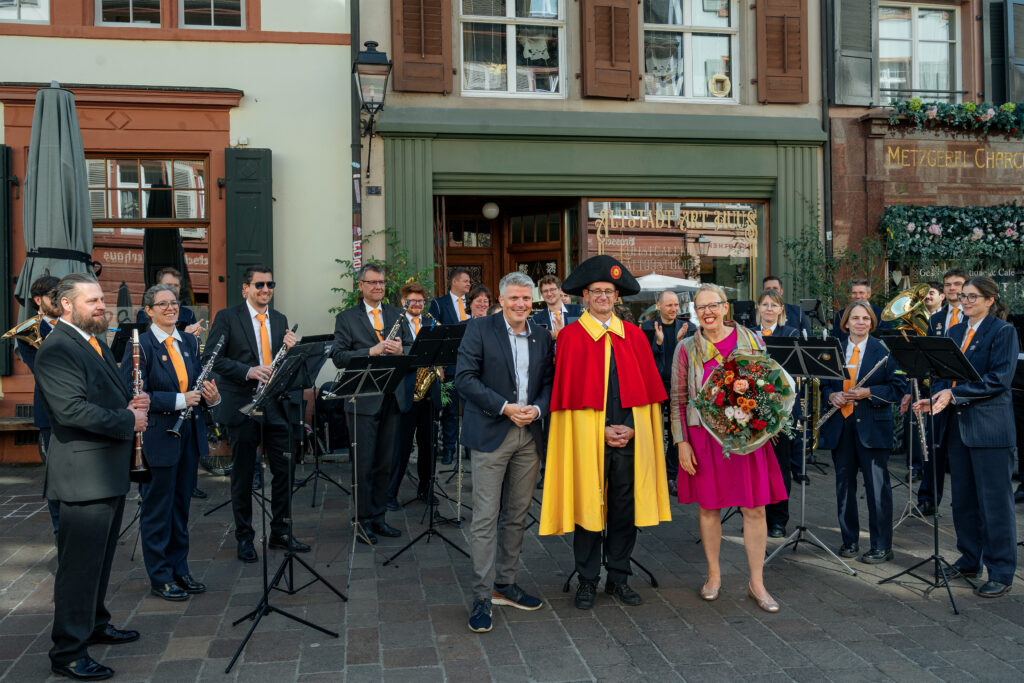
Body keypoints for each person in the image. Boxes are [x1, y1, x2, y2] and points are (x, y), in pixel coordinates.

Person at [34, 273, 150, 681]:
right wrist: (128, 418)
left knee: (99, 562)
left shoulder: (92, 340)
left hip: (106, 472)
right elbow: (71, 412)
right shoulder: (57, 350)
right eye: (92, 301)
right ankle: (67, 652)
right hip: (83, 477)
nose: (102, 306)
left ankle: (95, 624)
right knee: (79, 569)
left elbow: (104, 394)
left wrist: (133, 401)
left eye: (101, 299)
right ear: (66, 305)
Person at [540, 255, 671, 610]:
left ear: (617, 297)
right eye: (596, 291)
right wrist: (599, 431)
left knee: (623, 509)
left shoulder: (635, 337)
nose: (602, 296)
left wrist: (628, 430)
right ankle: (587, 579)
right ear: (584, 295)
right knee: (588, 505)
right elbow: (568, 399)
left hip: (628, 438)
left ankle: (618, 577)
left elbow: (646, 394)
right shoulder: (569, 337)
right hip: (588, 440)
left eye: (608, 291)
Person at [671, 284, 787, 612]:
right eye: (700, 308)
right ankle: (713, 575)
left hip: (747, 440)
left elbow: (770, 385)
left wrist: (768, 420)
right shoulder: (685, 349)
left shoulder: (751, 339)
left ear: (725, 308)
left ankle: (757, 582)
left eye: (713, 306)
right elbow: (678, 398)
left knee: (755, 509)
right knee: (709, 508)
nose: (707, 313)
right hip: (704, 441)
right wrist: (682, 442)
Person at [455, 272, 554, 633]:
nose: (520, 304)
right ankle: (482, 595)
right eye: (513, 298)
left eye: (526, 298)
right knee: (485, 517)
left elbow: (548, 382)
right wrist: (505, 407)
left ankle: (505, 583)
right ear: (501, 299)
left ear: (533, 300)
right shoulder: (479, 329)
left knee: (517, 513)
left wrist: (538, 410)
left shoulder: (542, 335)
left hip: (529, 435)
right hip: (492, 432)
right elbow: (464, 379)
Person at [914, 276, 1018, 598]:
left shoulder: (1003, 332)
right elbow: (947, 378)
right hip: (957, 429)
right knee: (963, 500)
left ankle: (1001, 570)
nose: (966, 301)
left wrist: (953, 397)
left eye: (973, 296)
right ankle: (970, 559)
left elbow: (998, 379)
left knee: (995, 504)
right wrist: (932, 396)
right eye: (964, 296)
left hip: (989, 431)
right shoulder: (954, 332)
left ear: (990, 300)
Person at [120, 284, 220, 602]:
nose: (170, 308)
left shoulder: (189, 341)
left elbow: (196, 389)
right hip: (158, 439)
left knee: (181, 508)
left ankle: (180, 569)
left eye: (174, 303)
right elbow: (134, 394)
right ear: (148, 310)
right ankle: (160, 576)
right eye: (161, 304)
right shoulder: (141, 344)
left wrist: (211, 399)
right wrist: (180, 399)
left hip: (187, 438)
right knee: (157, 511)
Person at [205, 265, 307, 564]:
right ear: (245, 289)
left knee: (284, 470)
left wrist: (289, 349)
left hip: (274, 405)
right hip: (241, 405)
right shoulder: (227, 317)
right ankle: (245, 537)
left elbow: (278, 363)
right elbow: (212, 358)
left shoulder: (279, 319)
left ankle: (280, 532)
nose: (265, 290)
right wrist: (247, 371)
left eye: (270, 285)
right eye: (259, 285)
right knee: (243, 474)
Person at [331, 264, 412, 545]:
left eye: (382, 282)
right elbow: (339, 357)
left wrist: (402, 350)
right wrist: (371, 351)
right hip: (362, 401)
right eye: (373, 282)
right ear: (361, 286)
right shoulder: (346, 318)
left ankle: (379, 518)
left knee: (384, 463)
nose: (379, 287)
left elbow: (413, 348)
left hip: (392, 397)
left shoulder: (395, 314)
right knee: (362, 465)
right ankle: (362, 521)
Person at [820, 302, 905, 564]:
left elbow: (898, 387)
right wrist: (831, 395)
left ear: (872, 323)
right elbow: (822, 384)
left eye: (866, 319)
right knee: (844, 486)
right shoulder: (833, 349)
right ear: (845, 323)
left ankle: (882, 545)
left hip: (872, 426)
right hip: (841, 425)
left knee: (877, 488)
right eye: (855, 318)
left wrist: (870, 392)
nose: (860, 323)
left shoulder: (885, 351)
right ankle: (850, 540)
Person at [914, 268, 968, 515]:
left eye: (957, 284)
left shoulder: (972, 317)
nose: (952, 288)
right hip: (938, 389)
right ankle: (928, 498)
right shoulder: (936, 319)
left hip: (964, 391)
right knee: (933, 446)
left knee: (960, 450)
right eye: (948, 284)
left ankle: (963, 502)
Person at [16, 274, 61, 534]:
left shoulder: (73, 324)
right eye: (53, 296)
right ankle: (60, 532)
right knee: (55, 478)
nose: (58, 300)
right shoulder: (27, 331)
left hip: (79, 412)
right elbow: (41, 370)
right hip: (49, 413)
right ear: (38, 300)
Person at [386, 282, 438, 510]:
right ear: (403, 302)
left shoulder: (431, 323)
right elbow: (393, 352)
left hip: (428, 390)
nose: (417, 304)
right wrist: (412, 352)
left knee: (429, 445)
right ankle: (390, 494)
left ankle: (426, 489)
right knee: (401, 447)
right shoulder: (395, 324)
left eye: (420, 301)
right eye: (412, 300)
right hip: (405, 393)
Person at [755, 289, 800, 538]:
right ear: (758, 308)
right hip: (755, 409)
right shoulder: (750, 335)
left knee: (781, 466)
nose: (769, 309)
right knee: (757, 466)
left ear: (781, 309)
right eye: (765, 305)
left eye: (774, 305)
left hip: (782, 409)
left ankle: (779, 520)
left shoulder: (790, 334)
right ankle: (757, 516)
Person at [640, 289, 691, 496]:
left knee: (676, 432)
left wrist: (681, 342)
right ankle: (651, 472)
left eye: (676, 305)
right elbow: (644, 361)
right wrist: (658, 343)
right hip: (655, 385)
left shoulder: (688, 328)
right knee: (653, 430)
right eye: (669, 305)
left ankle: (671, 474)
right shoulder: (647, 328)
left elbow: (689, 360)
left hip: (678, 387)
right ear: (658, 306)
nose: (673, 309)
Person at [428, 267, 472, 465]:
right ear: (454, 282)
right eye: (465, 281)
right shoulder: (438, 304)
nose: (469, 284)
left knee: (472, 410)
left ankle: (471, 450)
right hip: (448, 367)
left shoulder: (472, 304)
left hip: (471, 366)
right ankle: (448, 450)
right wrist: (438, 364)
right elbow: (432, 335)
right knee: (450, 411)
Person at [136, 267, 202, 336]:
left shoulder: (188, 314)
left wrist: (195, 335)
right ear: (158, 286)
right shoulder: (145, 312)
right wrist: (183, 333)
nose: (173, 288)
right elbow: (145, 339)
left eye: (176, 285)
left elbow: (192, 343)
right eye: (168, 285)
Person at [532, 274, 582, 340]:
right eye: (545, 291)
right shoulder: (536, 320)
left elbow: (584, 337)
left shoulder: (578, 311)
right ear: (541, 294)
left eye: (552, 289)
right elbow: (537, 343)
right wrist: (550, 336)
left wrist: (562, 333)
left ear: (560, 290)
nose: (549, 294)